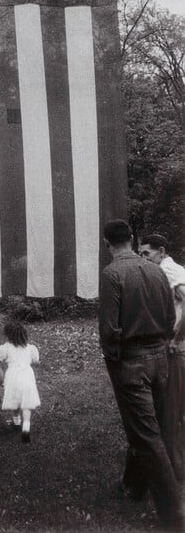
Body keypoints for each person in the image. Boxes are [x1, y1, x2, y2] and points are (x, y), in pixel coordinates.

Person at [99, 219, 183, 530]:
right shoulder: (156, 269)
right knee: (155, 427)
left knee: (147, 435)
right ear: (132, 239)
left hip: (131, 360)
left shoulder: (112, 274)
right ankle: (134, 486)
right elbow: (169, 316)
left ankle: (174, 513)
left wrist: (113, 360)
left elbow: (109, 330)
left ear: (107, 243)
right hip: (160, 357)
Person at [139, 233, 185, 482]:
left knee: (170, 411)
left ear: (162, 251)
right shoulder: (173, 268)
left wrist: (176, 338)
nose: (143, 258)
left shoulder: (167, 270)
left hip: (176, 349)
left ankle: (176, 471)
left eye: (147, 253)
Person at [0, 320, 40, 443]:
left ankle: (16, 421)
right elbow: (36, 361)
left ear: (8, 335)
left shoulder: (5, 348)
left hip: (13, 376)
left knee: (15, 398)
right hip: (27, 374)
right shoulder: (31, 348)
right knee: (27, 402)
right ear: (24, 334)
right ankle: (26, 428)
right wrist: (36, 362)